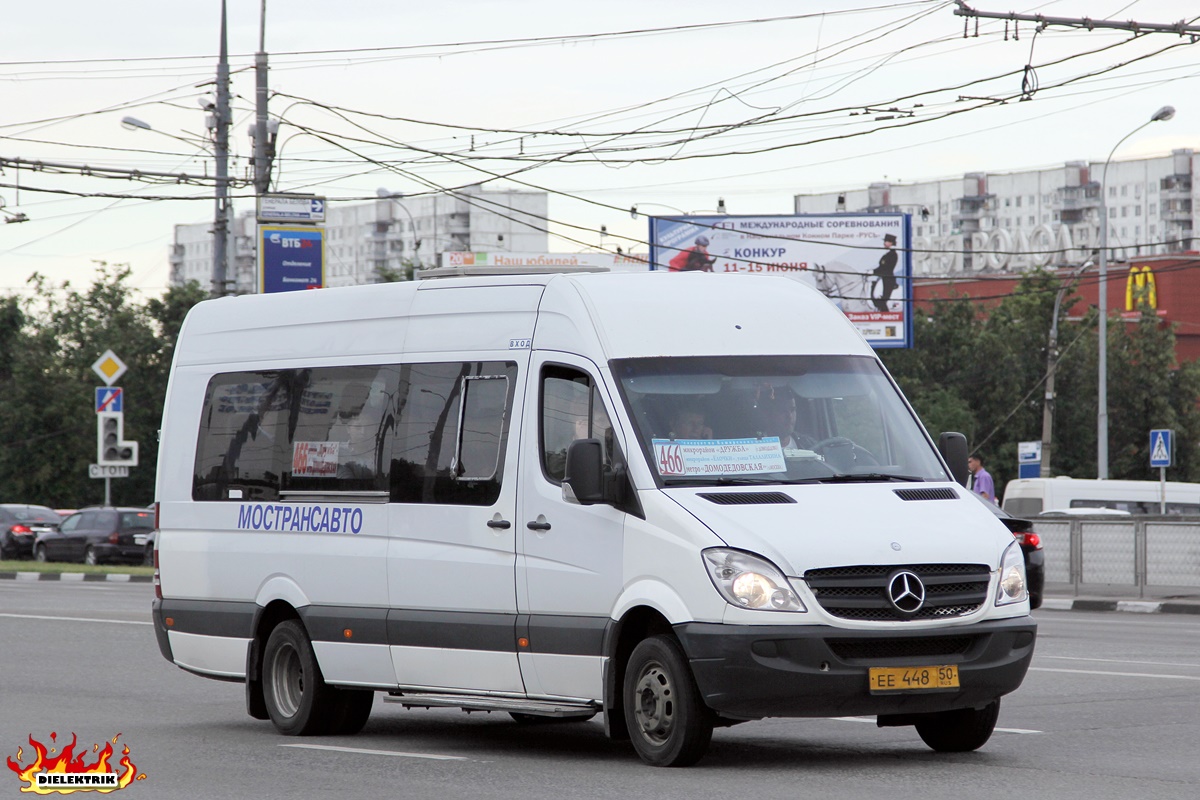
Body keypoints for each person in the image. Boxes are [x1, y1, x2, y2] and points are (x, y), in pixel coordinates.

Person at [871, 233, 899, 312]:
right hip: (883, 277)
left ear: (891, 243)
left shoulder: (892, 254)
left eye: (886, 241)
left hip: (888, 279)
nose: (884, 243)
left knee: (881, 299)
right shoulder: (888, 254)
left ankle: (886, 314)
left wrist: (873, 271)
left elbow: (885, 268)